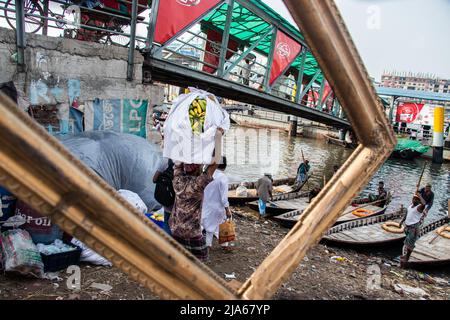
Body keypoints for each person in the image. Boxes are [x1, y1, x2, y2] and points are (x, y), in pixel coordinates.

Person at [201, 157, 232, 250]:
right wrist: (227, 209)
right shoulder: (223, 178)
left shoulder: (206, 174)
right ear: (224, 166)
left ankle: (208, 245)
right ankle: (225, 245)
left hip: (206, 206)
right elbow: (224, 198)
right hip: (218, 208)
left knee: (209, 226)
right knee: (223, 225)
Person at [399, 193, 426, 268]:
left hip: (413, 228)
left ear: (418, 201)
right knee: (407, 243)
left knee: (410, 244)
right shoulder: (410, 206)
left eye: (416, 199)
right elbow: (406, 215)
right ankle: (406, 256)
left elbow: (424, 203)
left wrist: (420, 195)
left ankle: (406, 258)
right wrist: (401, 221)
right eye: (413, 198)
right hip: (408, 227)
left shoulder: (419, 208)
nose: (414, 200)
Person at [153, 157, 174, 235]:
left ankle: (167, 243)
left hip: (168, 199)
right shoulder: (187, 161)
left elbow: (154, 179)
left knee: (167, 223)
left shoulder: (166, 160)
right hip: (182, 202)